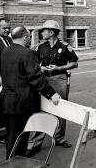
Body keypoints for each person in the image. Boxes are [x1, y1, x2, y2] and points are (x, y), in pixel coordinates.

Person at [0, 26, 60, 158]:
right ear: (25, 37)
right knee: (20, 138)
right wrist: (52, 93)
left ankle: (10, 161)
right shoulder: (27, 53)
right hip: (21, 104)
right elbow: (35, 78)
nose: (30, 40)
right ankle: (15, 163)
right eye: (29, 37)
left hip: (6, 102)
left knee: (11, 136)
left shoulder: (5, 51)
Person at [27, 20, 78, 155]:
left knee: (61, 109)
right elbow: (33, 63)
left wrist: (59, 67)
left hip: (59, 78)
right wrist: (40, 67)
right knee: (41, 109)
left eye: (44, 31)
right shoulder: (39, 47)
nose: (42, 33)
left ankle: (59, 138)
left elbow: (74, 63)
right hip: (43, 80)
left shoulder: (65, 46)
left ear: (51, 32)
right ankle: (35, 144)